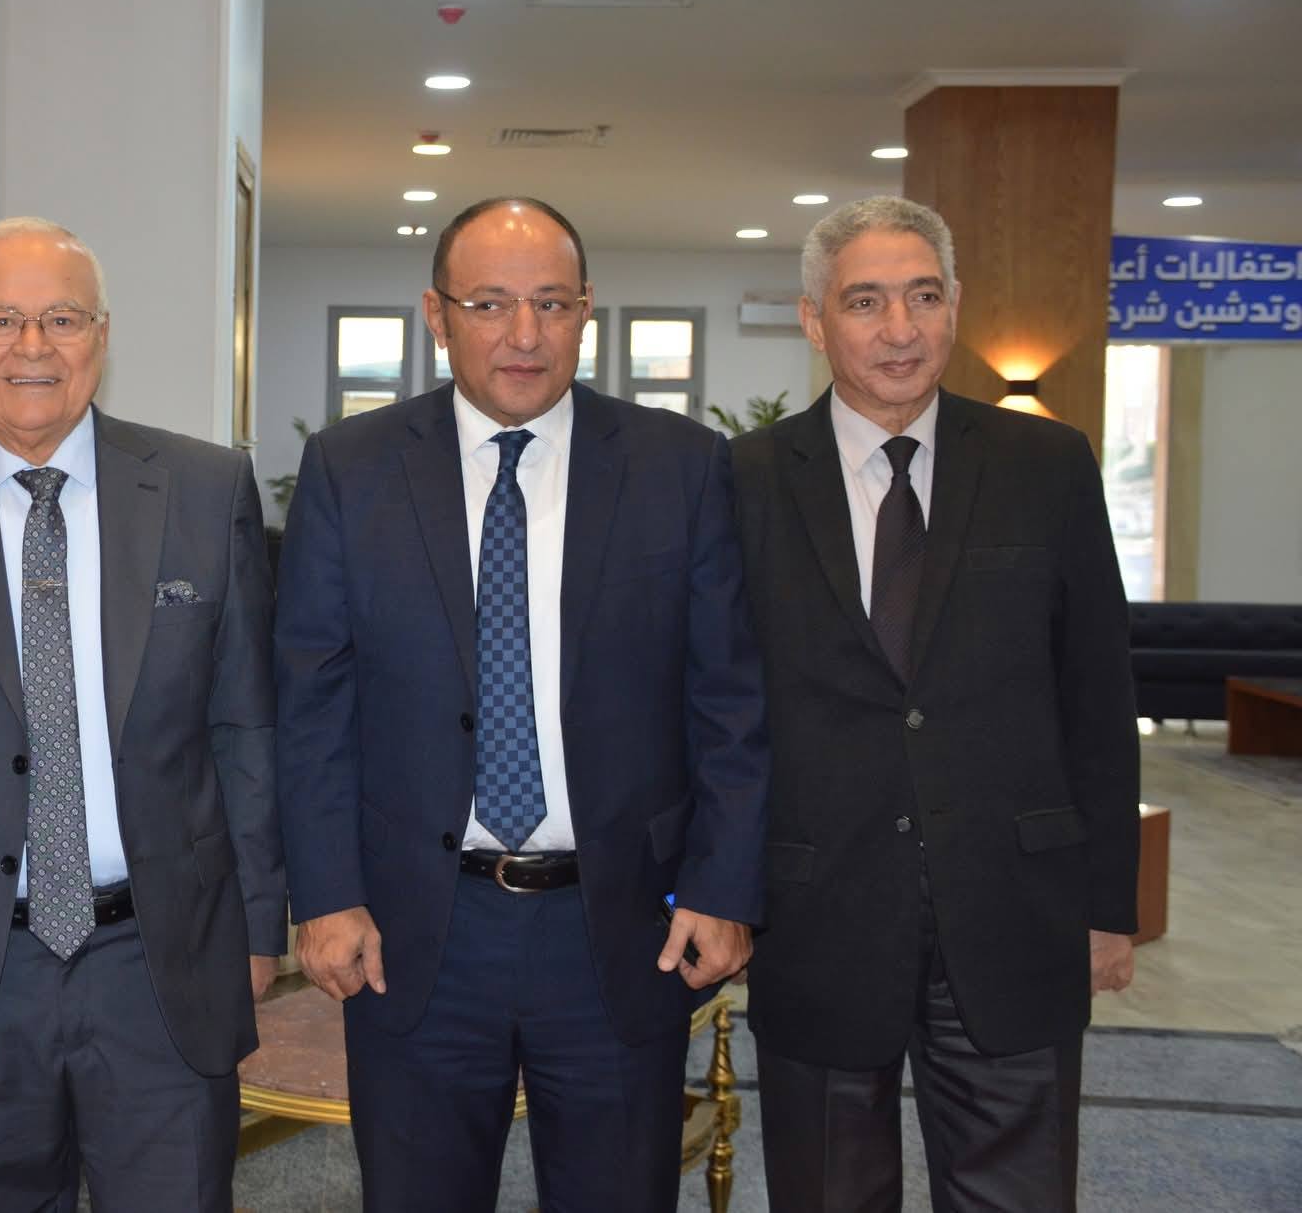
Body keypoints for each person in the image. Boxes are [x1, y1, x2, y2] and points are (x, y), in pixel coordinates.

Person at [273, 197, 769, 1211]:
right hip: (416, 931)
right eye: (490, 303)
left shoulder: (678, 467)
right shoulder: (350, 469)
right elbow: (313, 702)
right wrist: (323, 895)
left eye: (551, 302)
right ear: (436, 314)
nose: (524, 333)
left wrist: (722, 887)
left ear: (586, 310)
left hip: (617, 928)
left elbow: (727, 699)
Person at [0, 216, 284, 1211]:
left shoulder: (203, 490)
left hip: (159, 962)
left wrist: (259, 929)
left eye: (62, 319)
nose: (31, 347)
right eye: (1, 319)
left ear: (102, 336)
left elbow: (242, 727)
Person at [731, 195, 1139, 1211]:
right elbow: (718, 710)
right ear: (813, 320)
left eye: (922, 296)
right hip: (816, 916)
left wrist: (1107, 905)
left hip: (1015, 913)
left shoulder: (1048, 466)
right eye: (864, 301)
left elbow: (1096, 695)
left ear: (954, 306)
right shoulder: (742, 481)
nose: (899, 329)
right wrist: (714, 890)